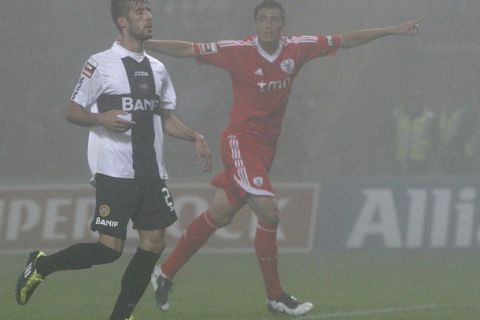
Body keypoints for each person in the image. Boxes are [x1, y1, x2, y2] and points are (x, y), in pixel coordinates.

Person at [145, 0, 422, 316]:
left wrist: (392, 30)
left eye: (275, 20)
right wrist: (146, 43)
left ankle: (164, 272)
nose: (269, 25)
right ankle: (275, 296)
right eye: (263, 19)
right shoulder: (237, 50)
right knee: (269, 213)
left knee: (220, 215)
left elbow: (347, 40)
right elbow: (187, 49)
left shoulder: (298, 48)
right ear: (255, 24)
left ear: (283, 25)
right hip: (239, 142)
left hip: (266, 148)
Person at [14, 1, 211, 320]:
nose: (148, 16)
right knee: (109, 250)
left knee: (155, 241)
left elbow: (166, 118)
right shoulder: (100, 64)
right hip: (115, 171)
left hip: (152, 173)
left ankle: (121, 315)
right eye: (139, 12)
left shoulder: (157, 68)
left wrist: (195, 137)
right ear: (122, 22)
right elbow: (72, 112)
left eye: (149, 10)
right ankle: (41, 265)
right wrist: (101, 118)